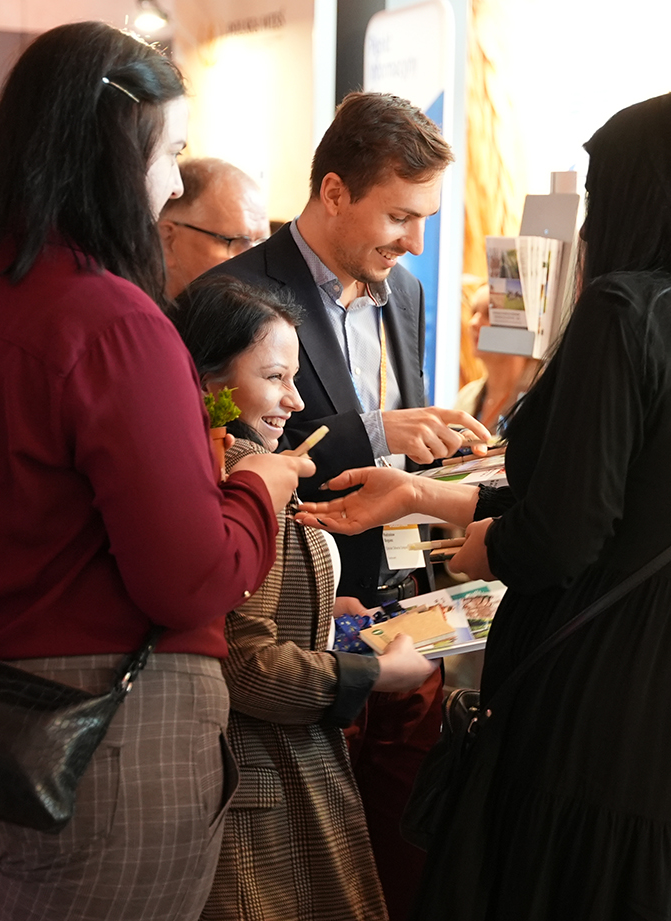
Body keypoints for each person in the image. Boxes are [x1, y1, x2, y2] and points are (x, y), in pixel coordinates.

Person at [297, 90, 671, 920]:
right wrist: (432, 496)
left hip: (611, 683)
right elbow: (646, 503)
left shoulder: (628, 312)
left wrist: (489, 547)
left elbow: (565, 529)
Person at [0, 23, 307, 921]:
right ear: (113, 153)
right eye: (169, 153)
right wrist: (259, 487)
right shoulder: (115, 322)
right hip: (92, 738)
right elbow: (188, 579)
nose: (172, 183)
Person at [204, 91, 487, 920]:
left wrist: (446, 458)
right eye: (400, 216)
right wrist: (373, 429)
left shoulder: (406, 294)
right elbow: (215, 437)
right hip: (288, 635)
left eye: (425, 218)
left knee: (402, 862)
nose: (416, 242)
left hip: (400, 612)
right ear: (334, 192)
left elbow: (395, 443)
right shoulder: (233, 290)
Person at [170, 274, 435, 921]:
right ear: (207, 381)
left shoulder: (240, 462)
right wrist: (375, 673)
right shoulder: (239, 477)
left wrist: (326, 612)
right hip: (257, 782)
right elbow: (244, 662)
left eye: (293, 377)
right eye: (274, 377)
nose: (295, 399)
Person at [159, 157, 269, 300]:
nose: (257, 265)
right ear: (167, 242)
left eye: (261, 245)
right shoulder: (137, 311)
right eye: (238, 243)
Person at [455, 275, 540, 435]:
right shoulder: (466, 397)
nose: (473, 323)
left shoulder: (542, 396)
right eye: (473, 312)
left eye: (489, 314)